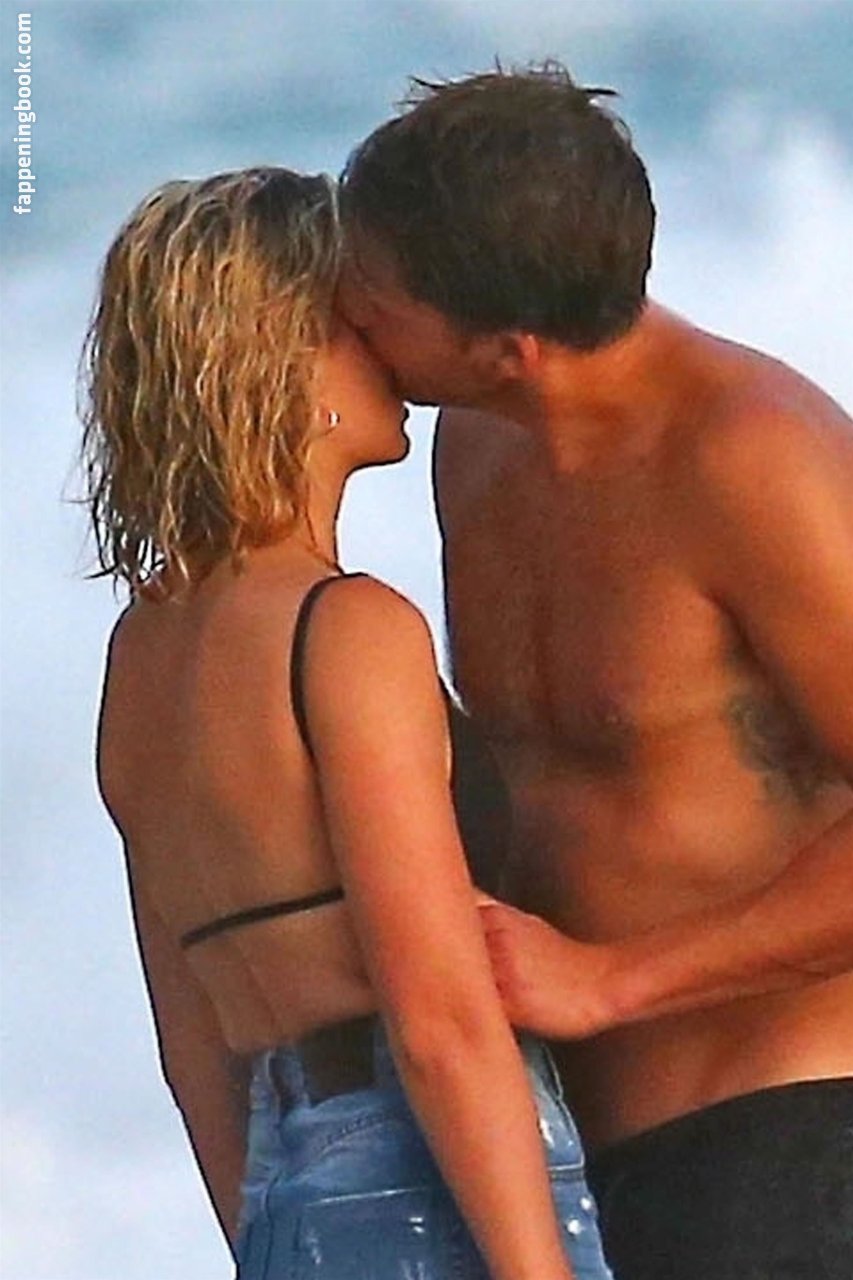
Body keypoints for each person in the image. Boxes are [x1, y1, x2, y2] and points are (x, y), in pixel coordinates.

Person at [338, 64, 853, 1279]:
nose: (340, 316)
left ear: (505, 348)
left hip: (793, 1130)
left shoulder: (757, 464)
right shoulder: (474, 439)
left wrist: (611, 980)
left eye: (370, 300)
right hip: (566, 1161)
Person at [80, 167, 613, 1280]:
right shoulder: (347, 630)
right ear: (290, 358)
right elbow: (437, 1020)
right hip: (434, 1179)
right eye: (361, 318)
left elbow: (194, 1055)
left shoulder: (142, 656)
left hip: (285, 1194)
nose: (397, 350)